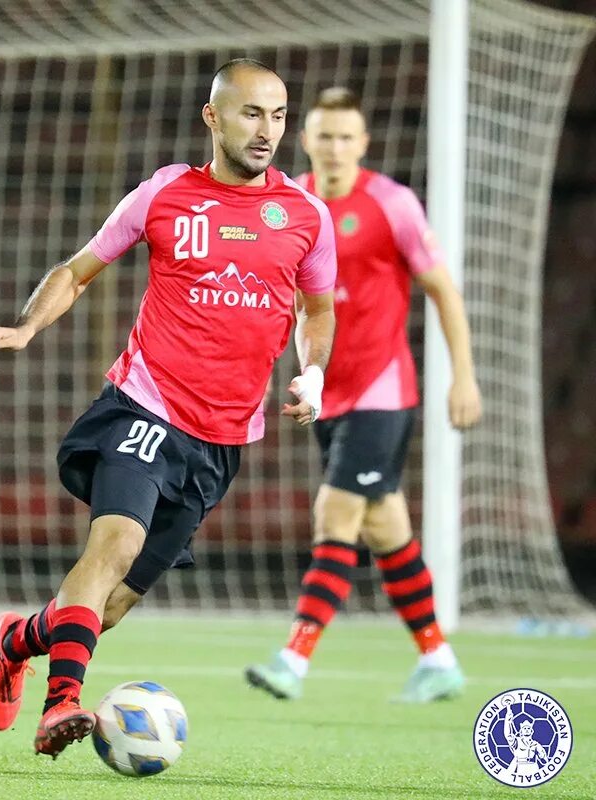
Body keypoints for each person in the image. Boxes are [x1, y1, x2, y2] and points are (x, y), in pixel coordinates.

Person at [0, 59, 337, 758]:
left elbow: (317, 309)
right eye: (252, 113)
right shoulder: (167, 193)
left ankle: (16, 640)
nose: (267, 131)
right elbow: (78, 269)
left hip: (221, 440)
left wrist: (312, 375)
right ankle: (61, 704)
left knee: (112, 606)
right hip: (145, 407)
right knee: (114, 546)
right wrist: (25, 326)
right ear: (213, 117)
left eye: (279, 115)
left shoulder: (306, 216)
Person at [244, 87, 482, 704]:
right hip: (327, 391)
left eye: (347, 136)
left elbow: (444, 292)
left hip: (384, 387)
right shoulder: (286, 202)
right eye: (324, 135)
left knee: (336, 513)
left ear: (363, 144)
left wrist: (464, 375)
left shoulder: (392, 203)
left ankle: (293, 660)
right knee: (385, 527)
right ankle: (439, 658)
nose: (335, 147)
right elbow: (282, 298)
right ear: (307, 141)